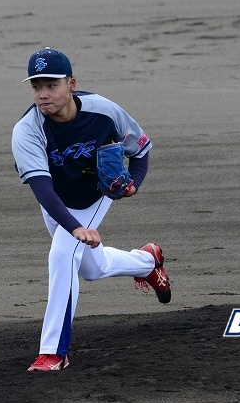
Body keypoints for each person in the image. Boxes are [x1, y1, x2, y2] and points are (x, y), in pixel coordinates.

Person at [11, 47, 171, 372]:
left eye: (52, 85)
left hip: (94, 195)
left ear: (71, 84)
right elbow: (43, 189)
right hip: (56, 201)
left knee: (62, 255)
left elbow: (140, 150)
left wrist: (134, 184)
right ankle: (146, 262)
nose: (43, 94)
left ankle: (54, 352)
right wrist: (74, 227)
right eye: (36, 86)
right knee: (91, 268)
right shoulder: (27, 130)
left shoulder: (104, 111)